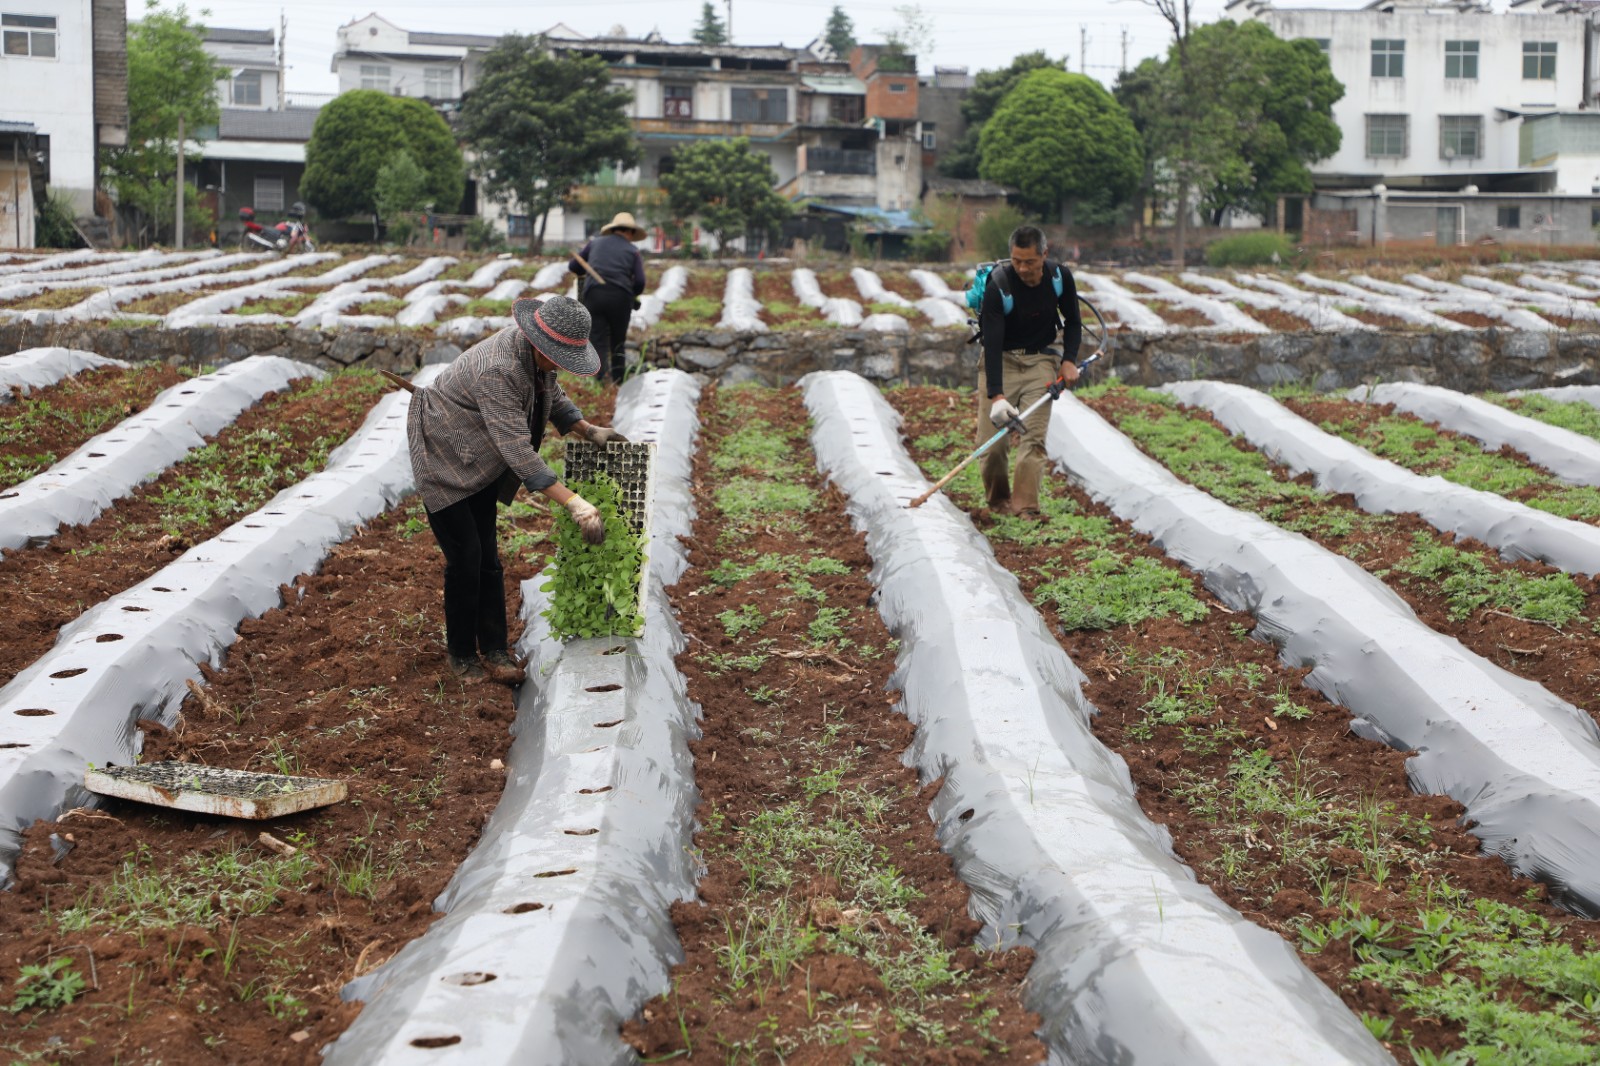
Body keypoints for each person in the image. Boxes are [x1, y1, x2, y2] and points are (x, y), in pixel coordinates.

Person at [406, 294, 629, 684]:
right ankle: (461, 654)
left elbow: (551, 395)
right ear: (538, 342)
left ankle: (494, 649)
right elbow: (517, 450)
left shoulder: (537, 359)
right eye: (557, 358)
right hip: (444, 453)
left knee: (488, 557)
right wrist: (576, 504)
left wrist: (588, 429)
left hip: (479, 455)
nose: (559, 367)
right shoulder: (499, 369)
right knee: (465, 558)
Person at [976, 225, 1083, 518]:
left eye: (1030, 262)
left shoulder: (1060, 278)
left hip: (1040, 362)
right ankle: (999, 504)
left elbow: (1073, 321)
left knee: (1032, 439)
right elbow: (993, 342)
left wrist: (1069, 360)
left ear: (1044, 255)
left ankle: (1026, 509)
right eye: (1017, 260)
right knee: (993, 445)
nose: (1022, 268)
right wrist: (997, 395)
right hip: (1001, 361)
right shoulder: (999, 284)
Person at [569, 212, 648, 383]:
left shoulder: (594, 243)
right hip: (620, 298)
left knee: (597, 338)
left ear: (613, 230)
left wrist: (588, 270)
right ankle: (619, 380)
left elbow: (574, 265)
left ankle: (599, 380)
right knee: (618, 340)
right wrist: (633, 294)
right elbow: (640, 281)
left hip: (594, 295)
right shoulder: (632, 251)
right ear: (630, 233)